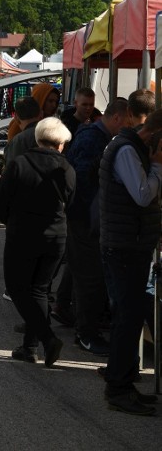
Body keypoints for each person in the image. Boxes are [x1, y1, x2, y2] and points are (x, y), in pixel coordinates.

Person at [0, 117, 75, 367]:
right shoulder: (67, 170)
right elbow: (70, 203)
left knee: (18, 288)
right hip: (56, 236)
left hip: (23, 235)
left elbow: (0, 201)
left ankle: (46, 339)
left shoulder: (19, 164)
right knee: (39, 289)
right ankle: (30, 348)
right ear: (60, 145)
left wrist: (12, 222)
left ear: (38, 138)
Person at [97, 108, 162, 416]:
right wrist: (158, 168)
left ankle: (120, 381)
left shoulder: (129, 147)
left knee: (128, 316)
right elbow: (141, 194)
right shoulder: (126, 150)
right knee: (128, 317)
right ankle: (119, 387)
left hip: (127, 244)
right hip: (124, 247)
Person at [64, 98, 129, 356]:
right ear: (117, 118)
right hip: (84, 219)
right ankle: (85, 333)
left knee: (86, 274)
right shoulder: (93, 138)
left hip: (88, 219)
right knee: (89, 277)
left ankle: (83, 325)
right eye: (127, 123)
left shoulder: (97, 137)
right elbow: (80, 179)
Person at [3, 97, 42, 165]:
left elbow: (11, 170)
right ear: (40, 114)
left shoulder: (16, 142)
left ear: (16, 117)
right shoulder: (53, 134)